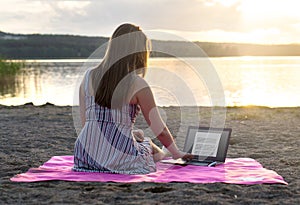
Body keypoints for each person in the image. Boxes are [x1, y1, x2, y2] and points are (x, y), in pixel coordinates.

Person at [73, 23, 193, 174]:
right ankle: (165, 154)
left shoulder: (88, 76)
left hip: (85, 157)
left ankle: (144, 142)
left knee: (138, 138)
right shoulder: (137, 84)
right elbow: (159, 130)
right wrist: (177, 153)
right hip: (118, 160)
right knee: (147, 145)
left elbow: (87, 125)